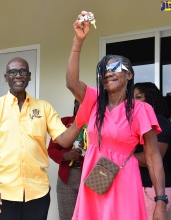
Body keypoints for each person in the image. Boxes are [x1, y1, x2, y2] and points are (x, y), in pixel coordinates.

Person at [65, 10, 167, 220]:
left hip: (124, 183)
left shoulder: (141, 109)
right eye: (104, 69)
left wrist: (160, 201)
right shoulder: (93, 100)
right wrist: (78, 41)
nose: (109, 72)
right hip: (95, 183)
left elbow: (153, 157)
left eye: (115, 67)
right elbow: (71, 83)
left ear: (129, 75)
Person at [0, 57, 81, 220]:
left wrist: (82, 115)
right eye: (13, 72)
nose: (18, 75)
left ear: (29, 76)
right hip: (3, 192)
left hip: (37, 193)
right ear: (6, 77)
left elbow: (64, 140)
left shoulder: (44, 107)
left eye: (23, 71)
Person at [133, 82, 171, 219]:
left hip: (152, 190)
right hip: (140, 188)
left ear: (151, 100)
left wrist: (120, 156)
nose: (133, 102)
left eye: (138, 97)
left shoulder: (159, 122)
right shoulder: (136, 123)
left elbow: (154, 158)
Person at [48, 99, 86, 220]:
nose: (81, 105)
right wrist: (65, 156)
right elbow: (52, 150)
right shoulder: (64, 122)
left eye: (85, 103)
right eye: (78, 102)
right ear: (75, 105)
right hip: (67, 178)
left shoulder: (98, 124)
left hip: (91, 177)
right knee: (67, 217)